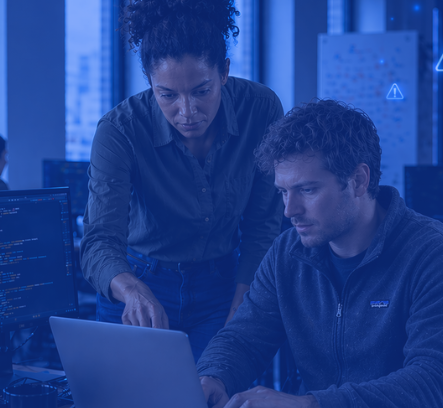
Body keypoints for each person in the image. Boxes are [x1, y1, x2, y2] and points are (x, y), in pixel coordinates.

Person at [195, 100, 443, 408]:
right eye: (283, 191)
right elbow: (243, 339)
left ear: (359, 180)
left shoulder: (437, 255)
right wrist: (213, 377)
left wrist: (309, 404)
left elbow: (432, 386)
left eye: (307, 190)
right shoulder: (286, 254)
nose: (289, 210)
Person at [80, 0, 284, 362]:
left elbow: (263, 224)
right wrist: (131, 289)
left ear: (224, 71)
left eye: (202, 91)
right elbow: (99, 242)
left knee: (212, 393)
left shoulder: (261, 109)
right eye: (168, 95)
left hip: (224, 283)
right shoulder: (119, 131)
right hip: (140, 284)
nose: (187, 112)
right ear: (148, 81)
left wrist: (247, 295)